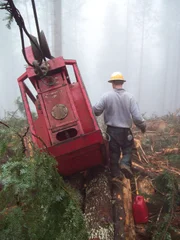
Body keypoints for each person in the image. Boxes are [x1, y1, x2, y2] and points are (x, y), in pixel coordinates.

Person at [92, 72, 146, 180]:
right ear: (122, 83)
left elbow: (96, 110)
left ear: (112, 83)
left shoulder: (106, 96)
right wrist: (143, 126)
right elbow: (137, 117)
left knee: (114, 154)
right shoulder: (130, 97)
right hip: (126, 131)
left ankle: (116, 176)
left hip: (111, 131)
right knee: (127, 150)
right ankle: (125, 163)